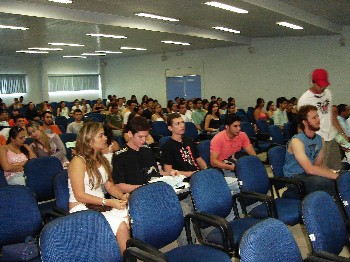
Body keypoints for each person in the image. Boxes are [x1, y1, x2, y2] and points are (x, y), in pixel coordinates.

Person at [68, 122, 130, 253]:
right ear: (89, 140)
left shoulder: (101, 159)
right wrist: (107, 202)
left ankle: (115, 253)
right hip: (82, 208)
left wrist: (121, 196)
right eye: (101, 135)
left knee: (128, 215)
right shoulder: (78, 162)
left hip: (100, 205)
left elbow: (109, 185)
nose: (105, 138)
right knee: (121, 225)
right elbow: (79, 195)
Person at [283, 105, 340, 197]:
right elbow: (309, 169)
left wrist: (333, 172)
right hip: (295, 178)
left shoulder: (320, 140)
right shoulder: (297, 141)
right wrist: (336, 177)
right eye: (314, 118)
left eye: (317, 116)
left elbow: (318, 164)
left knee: (340, 176)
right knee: (328, 183)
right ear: (305, 122)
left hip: (309, 174)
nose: (318, 120)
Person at [112, 116, 177, 193]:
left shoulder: (147, 149)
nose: (144, 140)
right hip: (136, 194)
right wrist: (145, 188)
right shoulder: (120, 156)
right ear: (130, 134)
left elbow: (154, 173)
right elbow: (119, 186)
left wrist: (169, 173)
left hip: (153, 189)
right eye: (140, 137)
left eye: (146, 136)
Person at [298, 68, 345, 170]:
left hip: (331, 137)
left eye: (325, 84)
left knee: (336, 169)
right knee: (321, 171)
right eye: (319, 85)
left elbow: (331, 116)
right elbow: (302, 125)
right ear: (313, 82)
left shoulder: (328, 93)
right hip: (317, 139)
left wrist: (342, 133)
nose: (323, 87)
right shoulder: (305, 100)